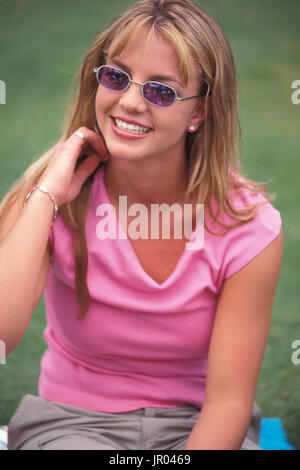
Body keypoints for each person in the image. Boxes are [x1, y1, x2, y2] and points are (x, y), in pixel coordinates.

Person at [0, 0, 283, 450]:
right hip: (74, 427)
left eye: (161, 91)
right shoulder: (49, 196)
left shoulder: (248, 226)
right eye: (116, 77)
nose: (130, 101)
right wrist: (47, 198)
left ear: (199, 113)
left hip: (196, 429)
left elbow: (228, 403)